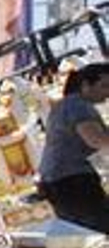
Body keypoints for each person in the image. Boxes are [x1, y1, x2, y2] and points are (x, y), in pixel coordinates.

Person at [38, 62, 109, 232]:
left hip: (58, 182)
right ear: (85, 85)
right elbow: (96, 140)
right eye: (104, 86)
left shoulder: (67, 106)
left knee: (87, 234)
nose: (108, 92)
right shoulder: (78, 105)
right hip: (71, 181)